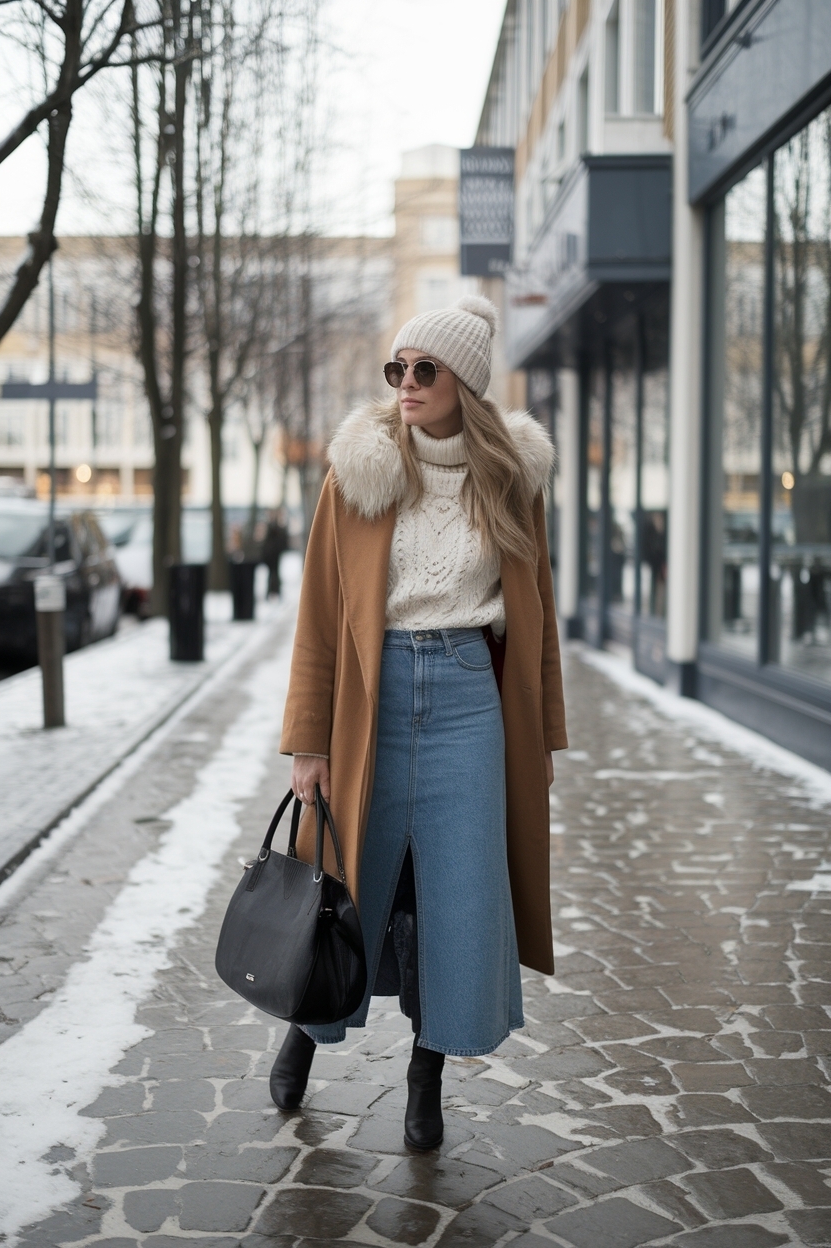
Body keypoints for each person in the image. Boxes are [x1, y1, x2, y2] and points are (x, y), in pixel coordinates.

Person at [272, 295, 567, 1150]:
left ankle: (425, 1072)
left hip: (473, 695)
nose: (406, 383)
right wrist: (308, 740)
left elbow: (537, 617)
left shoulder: (511, 479)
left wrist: (541, 737)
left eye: (424, 369)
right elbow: (320, 619)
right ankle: (306, 1025)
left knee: (456, 895)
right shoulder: (357, 473)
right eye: (396, 368)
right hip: (375, 690)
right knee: (348, 879)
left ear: (464, 382)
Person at [260, 508, 289, 598]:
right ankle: (271, 591)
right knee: (272, 573)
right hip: (271, 554)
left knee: (275, 573)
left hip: (275, 554)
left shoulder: (277, 527)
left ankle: (275, 591)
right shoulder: (270, 526)